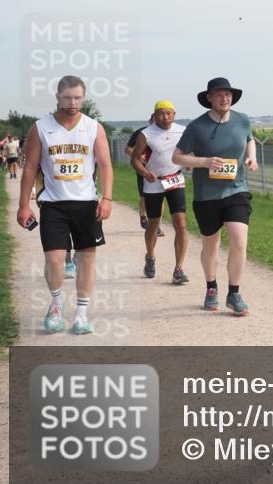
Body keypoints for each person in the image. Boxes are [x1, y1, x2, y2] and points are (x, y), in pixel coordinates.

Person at [16, 75, 113, 335]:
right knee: (55, 260)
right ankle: (56, 303)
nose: (73, 103)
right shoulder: (40, 128)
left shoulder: (94, 127)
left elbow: (105, 165)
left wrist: (106, 199)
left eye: (78, 98)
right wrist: (23, 205)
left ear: (84, 97)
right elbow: (30, 168)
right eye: (68, 98)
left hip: (86, 205)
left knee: (86, 260)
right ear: (57, 97)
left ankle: (81, 314)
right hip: (53, 205)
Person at [172, 77, 257, 316]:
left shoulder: (243, 120)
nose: (224, 98)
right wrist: (205, 162)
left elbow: (250, 140)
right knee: (211, 244)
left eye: (228, 94)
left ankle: (234, 293)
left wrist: (252, 157)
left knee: (239, 240)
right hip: (206, 195)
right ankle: (211, 287)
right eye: (219, 94)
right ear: (209, 98)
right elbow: (177, 157)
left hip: (237, 189)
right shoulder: (197, 127)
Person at [132, 100, 189, 284]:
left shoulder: (182, 131)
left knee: (181, 224)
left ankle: (179, 268)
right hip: (153, 183)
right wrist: (144, 173)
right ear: (155, 116)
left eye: (168, 113)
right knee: (154, 223)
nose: (165, 117)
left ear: (174, 114)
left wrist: (189, 162)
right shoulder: (146, 134)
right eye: (161, 114)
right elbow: (134, 159)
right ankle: (150, 257)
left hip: (175, 180)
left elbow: (189, 152)